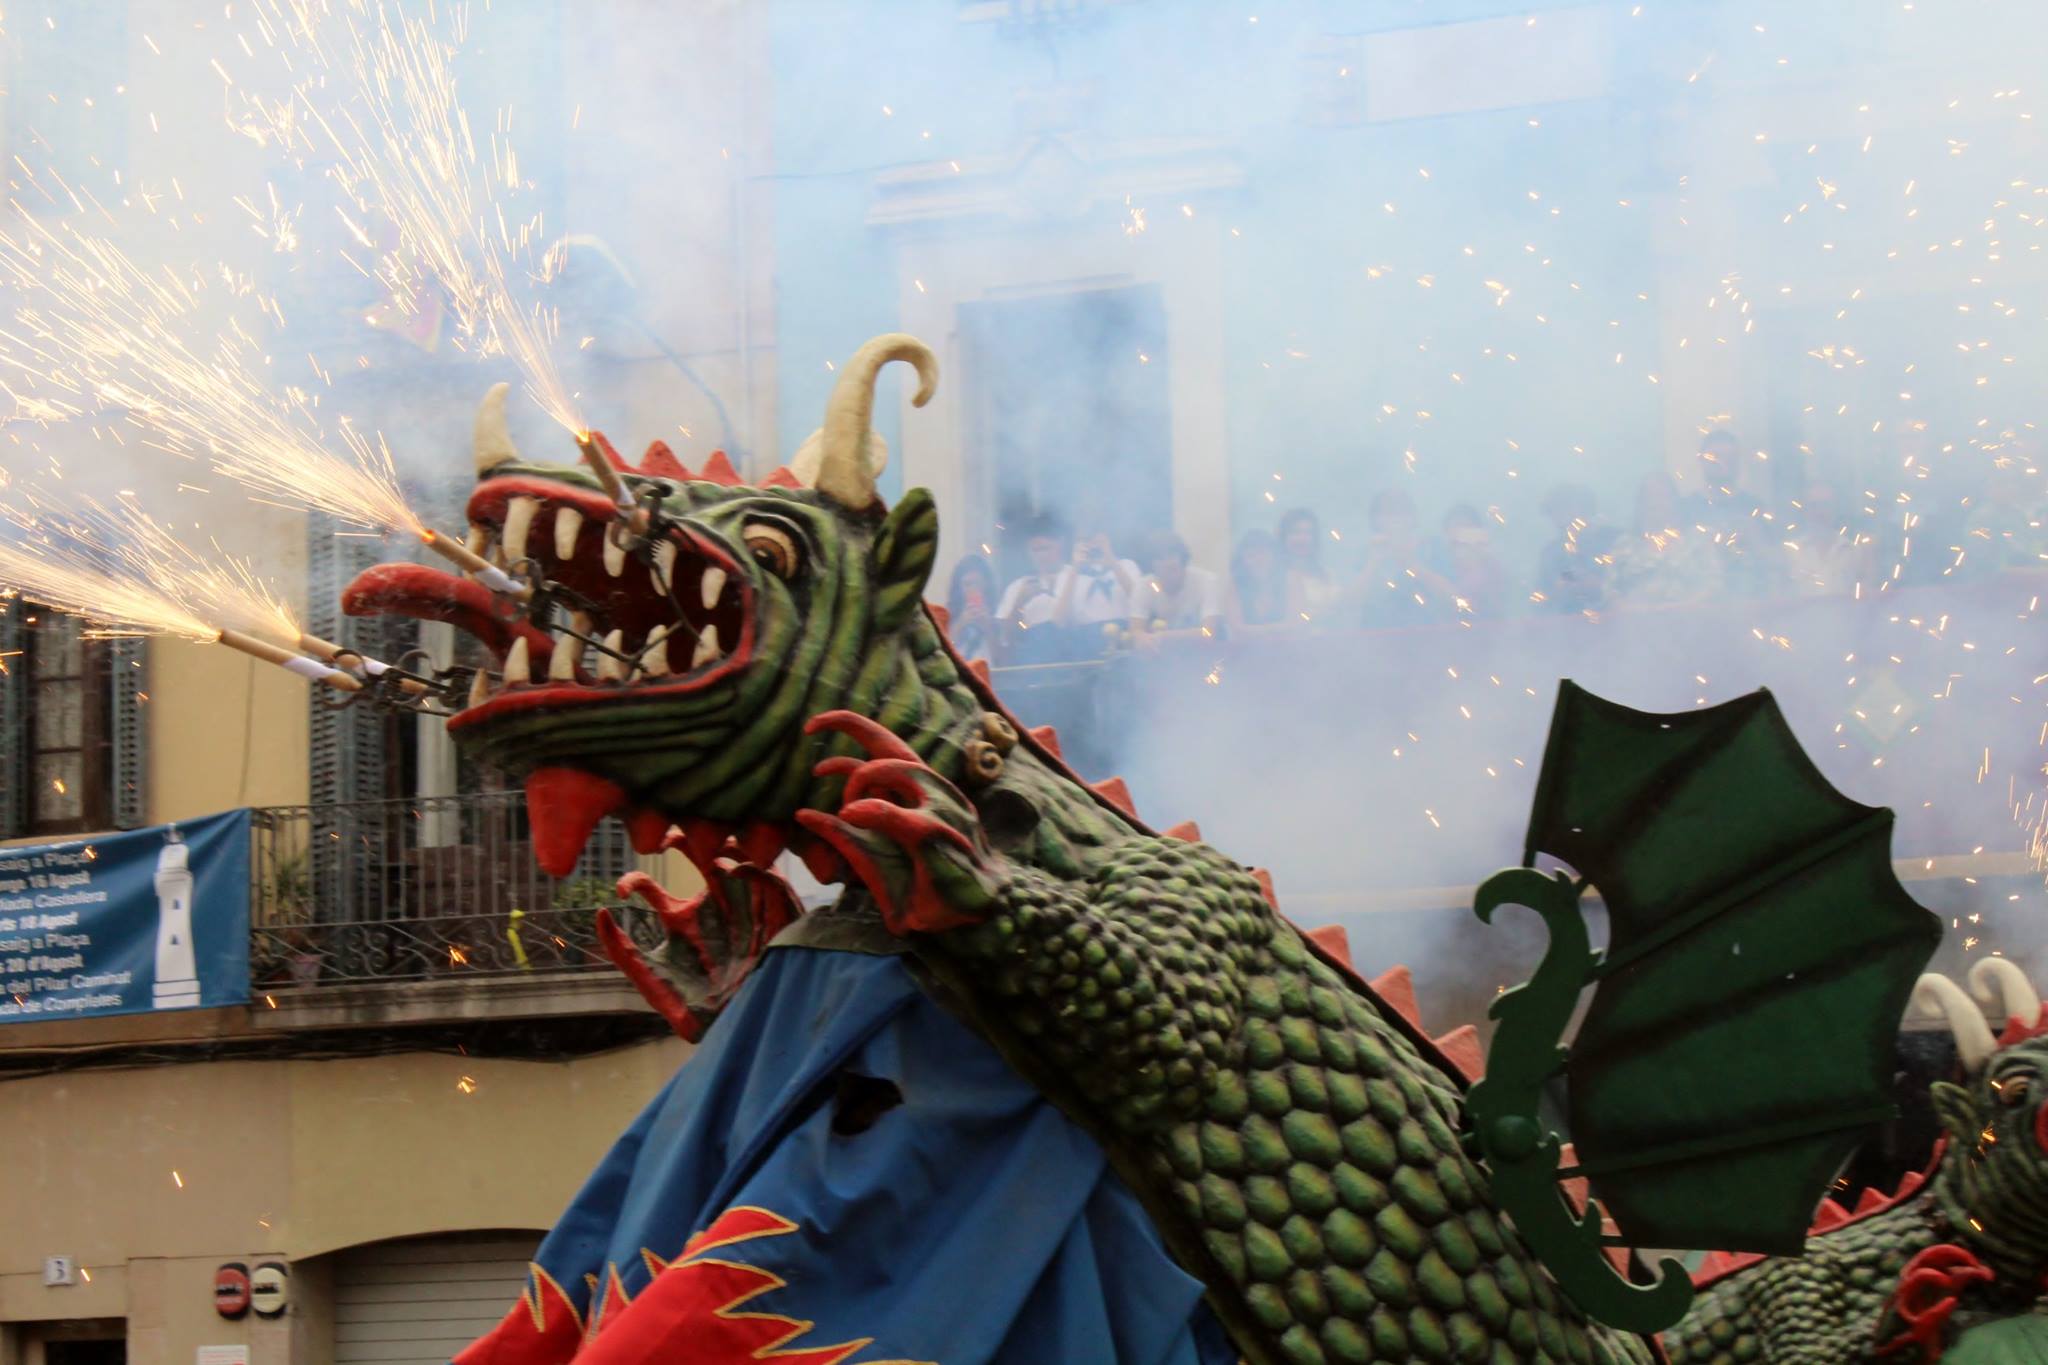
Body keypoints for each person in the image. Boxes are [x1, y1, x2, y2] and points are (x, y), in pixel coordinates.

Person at [1355, 490, 1454, 627]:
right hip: (1377, 634)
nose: (1396, 517)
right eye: (1388, 511)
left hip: (1428, 632)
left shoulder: (1431, 547)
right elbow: (1351, 603)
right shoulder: (1369, 553)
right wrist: (1373, 563)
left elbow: (1452, 596)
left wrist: (1412, 565)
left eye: (1402, 509)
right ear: (1376, 520)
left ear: (1413, 516)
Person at [1052, 522, 1145, 647]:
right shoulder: (1066, 575)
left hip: (1124, 638)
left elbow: (1140, 601)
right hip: (1085, 644)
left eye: (1094, 538)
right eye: (1083, 540)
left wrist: (1111, 559)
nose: (1091, 545)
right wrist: (1075, 569)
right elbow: (1058, 620)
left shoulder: (1127, 565)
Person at [1131, 530, 1225, 647]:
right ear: (1151, 565)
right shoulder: (1144, 586)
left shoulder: (1206, 581)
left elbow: (1209, 632)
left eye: (1172, 555)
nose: (1168, 563)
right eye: (1160, 558)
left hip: (1204, 652)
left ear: (1182, 558)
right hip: (1162, 654)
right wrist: (1143, 639)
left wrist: (1165, 637)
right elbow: (1136, 632)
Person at [996, 517, 1071, 660]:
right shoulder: (1017, 587)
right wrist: (1019, 603)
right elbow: (1005, 638)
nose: (1041, 556)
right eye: (1035, 550)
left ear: (1060, 544)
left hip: (1073, 659)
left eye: (1046, 548)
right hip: (1034, 663)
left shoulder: (1077, 577)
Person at [1534, 483, 1613, 614]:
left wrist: (1601, 586)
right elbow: (1541, 601)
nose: (1558, 516)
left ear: (1586, 508)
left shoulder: (1614, 541)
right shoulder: (1550, 554)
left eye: (1565, 507)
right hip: (1567, 622)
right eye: (1554, 510)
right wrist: (1557, 592)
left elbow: (1630, 587)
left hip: (1614, 619)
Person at [1426, 503, 1511, 619]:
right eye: (1454, 528)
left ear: (1478, 532)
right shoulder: (1437, 565)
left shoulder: (1490, 567)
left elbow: (1463, 600)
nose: (1459, 533)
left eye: (1466, 527)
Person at [1277, 507, 1343, 623]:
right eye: (1296, 532)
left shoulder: (1326, 574)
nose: (1303, 539)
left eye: (1308, 533)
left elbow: (1344, 605)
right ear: (1284, 537)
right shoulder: (1276, 577)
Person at [943, 553, 998, 663]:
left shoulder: (998, 612)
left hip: (988, 672)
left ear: (987, 584)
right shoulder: (948, 615)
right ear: (959, 587)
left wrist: (988, 628)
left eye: (978, 583)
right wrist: (961, 623)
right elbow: (943, 652)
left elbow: (1003, 661)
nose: (973, 589)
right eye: (967, 584)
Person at [1229, 529, 1288, 629]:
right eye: (1251, 556)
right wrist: (1274, 629)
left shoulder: (1290, 581)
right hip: (1247, 640)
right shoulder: (1236, 585)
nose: (1259, 560)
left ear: (1275, 556)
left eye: (1263, 553)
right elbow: (1237, 628)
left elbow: (1295, 624)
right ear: (1241, 561)